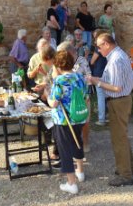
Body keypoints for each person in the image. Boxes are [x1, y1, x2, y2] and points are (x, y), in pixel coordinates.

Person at [89, 33, 133, 187]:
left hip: (119, 101)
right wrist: (98, 80)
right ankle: (131, 168)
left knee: (119, 138)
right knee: (121, 135)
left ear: (106, 44)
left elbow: (116, 87)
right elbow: (114, 81)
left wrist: (97, 83)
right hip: (121, 100)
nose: (98, 50)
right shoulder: (118, 55)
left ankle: (125, 175)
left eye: (99, 46)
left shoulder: (116, 59)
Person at [47, 50, 86, 194]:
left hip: (64, 120)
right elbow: (86, 96)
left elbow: (54, 103)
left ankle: (71, 183)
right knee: (77, 142)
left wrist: (47, 96)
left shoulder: (60, 80)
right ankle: (80, 172)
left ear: (57, 65)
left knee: (64, 150)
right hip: (79, 116)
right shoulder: (80, 77)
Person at [57, 41, 92, 152]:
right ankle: (73, 146)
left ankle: (85, 142)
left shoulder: (82, 60)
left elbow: (88, 76)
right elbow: (54, 78)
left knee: (85, 120)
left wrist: (77, 81)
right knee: (68, 123)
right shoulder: (59, 62)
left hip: (81, 96)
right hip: (66, 98)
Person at [90, 30, 108, 126]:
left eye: (95, 37)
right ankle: (107, 116)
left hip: (98, 73)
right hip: (107, 73)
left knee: (100, 97)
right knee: (107, 96)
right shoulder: (108, 46)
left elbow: (92, 61)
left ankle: (101, 119)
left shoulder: (99, 48)